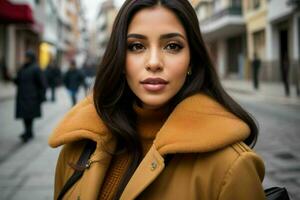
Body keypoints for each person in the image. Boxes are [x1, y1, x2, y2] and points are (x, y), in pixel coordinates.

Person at [49, 1, 265, 199]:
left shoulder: (232, 166)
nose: (153, 62)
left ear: (192, 60)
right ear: (120, 59)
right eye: (136, 46)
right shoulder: (77, 148)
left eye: (172, 46)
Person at [15, 50, 47, 142]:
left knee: (29, 116)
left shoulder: (36, 69)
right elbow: (17, 81)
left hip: (32, 97)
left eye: (27, 57)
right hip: (22, 96)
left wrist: (42, 97)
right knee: (24, 115)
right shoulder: (22, 68)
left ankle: (28, 133)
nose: (25, 59)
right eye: (25, 57)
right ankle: (28, 132)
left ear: (31, 58)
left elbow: (42, 84)